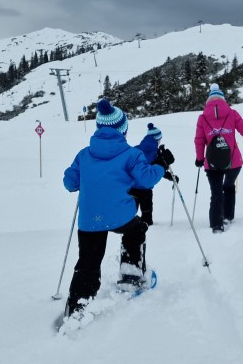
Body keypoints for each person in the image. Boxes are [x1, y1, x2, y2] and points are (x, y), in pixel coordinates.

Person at [62, 99, 175, 319]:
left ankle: (77, 306)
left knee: (88, 262)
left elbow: (69, 183)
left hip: (89, 220)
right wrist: (161, 164)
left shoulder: (84, 154)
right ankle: (131, 277)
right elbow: (146, 179)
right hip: (120, 216)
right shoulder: (131, 154)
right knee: (137, 230)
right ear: (123, 129)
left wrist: (81, 178)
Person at [193, 84, 243, 233]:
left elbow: (199, 140)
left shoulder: (202, 118)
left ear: (208, 100)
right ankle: (228, 216)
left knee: (216, 193)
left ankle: (216, 224)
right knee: (228, 186)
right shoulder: (232, 113)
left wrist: (200, 158)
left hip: (212, 162)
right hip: (233, 161)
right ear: (222, 99)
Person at [129, 123, 167, 226]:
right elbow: (156, 170)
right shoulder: (155, 153)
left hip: (132, 188)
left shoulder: (135, 149)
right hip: (146, 189)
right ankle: (147, 225)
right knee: (147, 213)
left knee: (130, 214)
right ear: (157, 139)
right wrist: (169, 175)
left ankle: (131, 226)